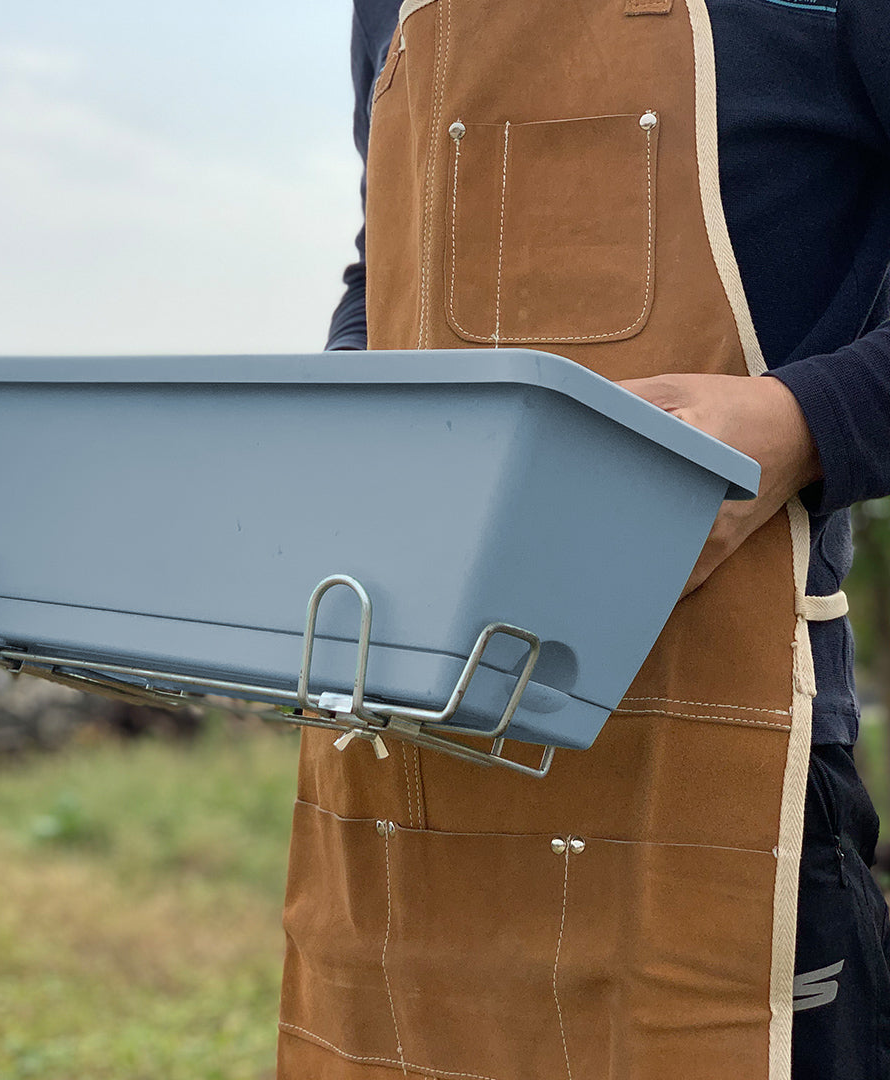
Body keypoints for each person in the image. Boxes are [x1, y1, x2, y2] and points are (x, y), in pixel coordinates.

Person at [278, 2, 890, 1078]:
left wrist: (799, 425)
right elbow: (387, 273)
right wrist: (347, 439)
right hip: (398, 766)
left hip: (719, 758)